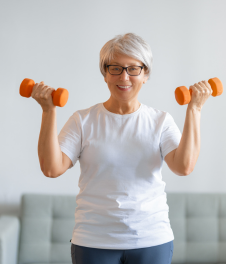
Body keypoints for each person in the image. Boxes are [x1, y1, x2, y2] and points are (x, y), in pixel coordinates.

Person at [33, 33, 212, 264]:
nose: (124, 76)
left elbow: (184, 166)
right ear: (105, 74)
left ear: (145, 74)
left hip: (151, 239)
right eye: (115, 68)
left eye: (133, 69)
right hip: (93, 240)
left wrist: (194, 109)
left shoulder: (160, 121)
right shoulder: (82, 121)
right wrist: (48, 111)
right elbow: (51, 168)